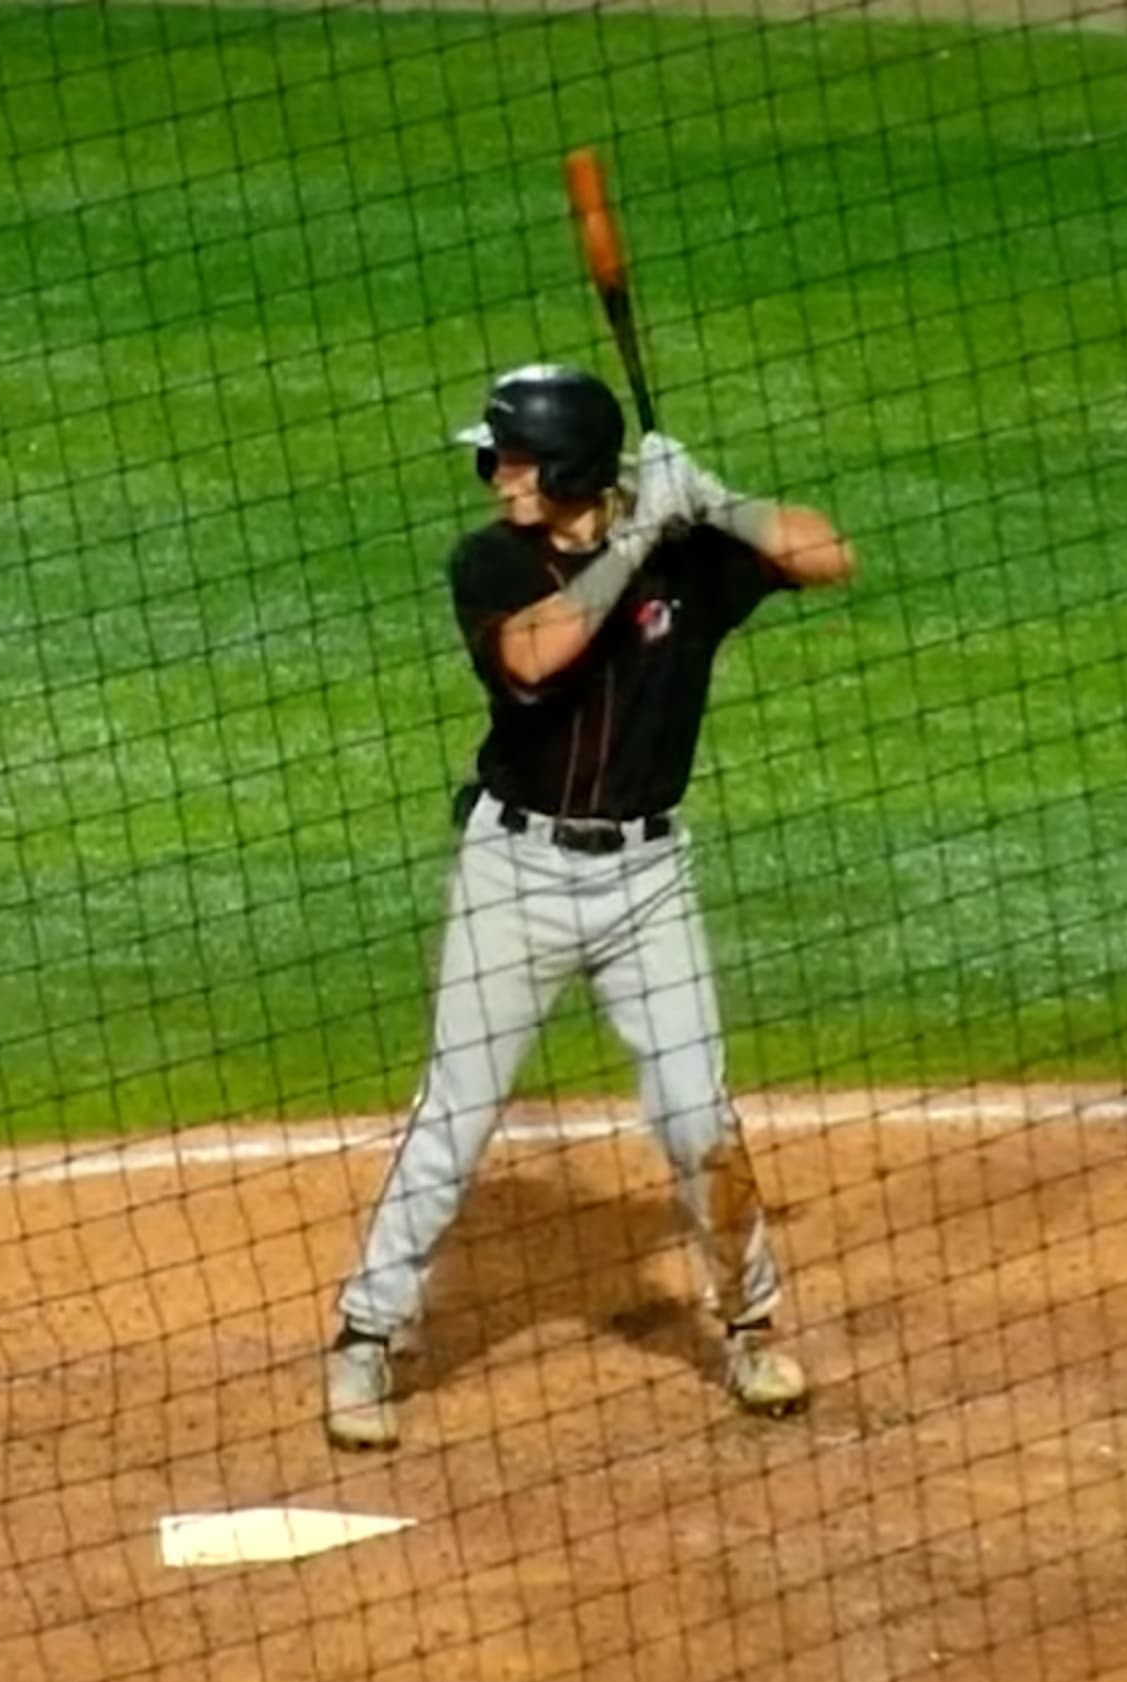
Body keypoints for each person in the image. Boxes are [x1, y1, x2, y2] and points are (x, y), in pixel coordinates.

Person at [322, 363, 856, 1450]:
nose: (495, 474)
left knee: (698, 1116)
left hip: (647, 881)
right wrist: (632, 547)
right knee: (455, 1119)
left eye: (511, 457)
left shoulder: (688, 560)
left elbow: (829, 554)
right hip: (513, 876)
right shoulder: (491, 561)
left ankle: (749, 1324)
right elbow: (532, 661)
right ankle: (367, 1337)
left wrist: (717, 506)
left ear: (567, 461)